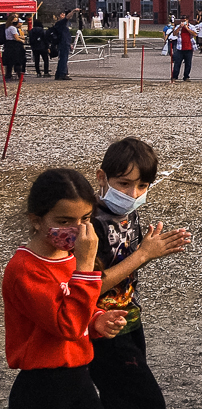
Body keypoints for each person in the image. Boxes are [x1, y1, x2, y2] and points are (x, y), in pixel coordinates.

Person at [3, 168, 128, 409]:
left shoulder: (68, 258)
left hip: (78, 377)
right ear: (36, 221)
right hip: (43, 388)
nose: (78, 229)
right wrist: (85, 267)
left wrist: (96, 321)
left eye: (85, 219)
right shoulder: (25, 270)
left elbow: (75, 311)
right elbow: (67, 324)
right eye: (64, 221)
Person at [89, 139, 192, 408]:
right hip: (101, 326)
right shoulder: (91, 223)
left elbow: (123, 266)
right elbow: (90, 286)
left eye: (142, 186)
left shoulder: (128, 215)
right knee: (145, 400)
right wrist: (143, 254)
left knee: (119, 399)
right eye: (124, 183)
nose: (133, 194)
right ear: (102, 177)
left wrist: (152, 251)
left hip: (129, 318)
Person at [52, 8, 79, 81]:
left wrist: (69, 43)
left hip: (65, 42)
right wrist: (73, 11)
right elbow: (68, 17)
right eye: (62, 14)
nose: (64, 15)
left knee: (63, 58)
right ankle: (62, 74)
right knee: (63, 59)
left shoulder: (61, 24)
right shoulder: (60, 23)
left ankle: (59, 74)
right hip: (63, 43)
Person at [169, 16, 197, 82]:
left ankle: (186, 76)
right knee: (177, 63)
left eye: (184, 21)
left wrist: (187, 28)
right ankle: (174, 76)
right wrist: (179, 27)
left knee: (188, 63)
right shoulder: (178, 26)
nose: (183, 22)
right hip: (180, 48)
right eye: (182, 21)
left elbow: (195, 34)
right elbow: (174, 34)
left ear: (187, 20)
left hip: (189, 47)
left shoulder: (191, 27)